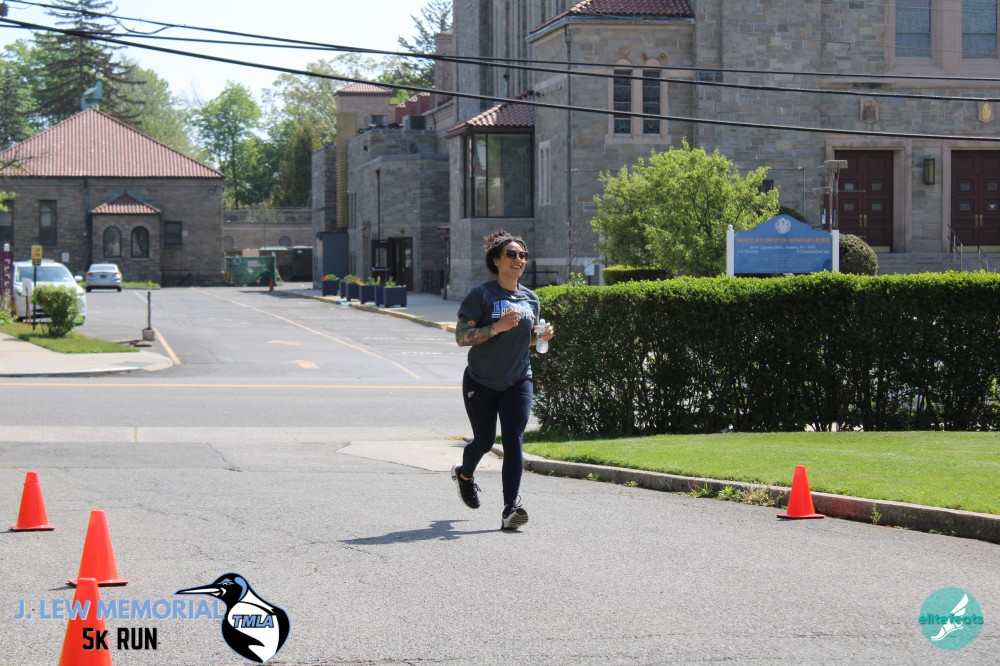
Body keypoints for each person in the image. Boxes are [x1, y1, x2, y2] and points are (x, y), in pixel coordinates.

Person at [451, 230, 554, 531]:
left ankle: (511, 509)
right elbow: (461, 337)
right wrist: (497, 327)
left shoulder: (530, 299)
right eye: (511, 254)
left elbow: (526, 340)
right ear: (496, 260)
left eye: (523, 255)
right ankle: (464, 475)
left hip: (518, 380)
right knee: (484, 441)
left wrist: (542, 337)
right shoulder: (482, 295)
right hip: (480, 381)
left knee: (513, 439)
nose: (518, 259)